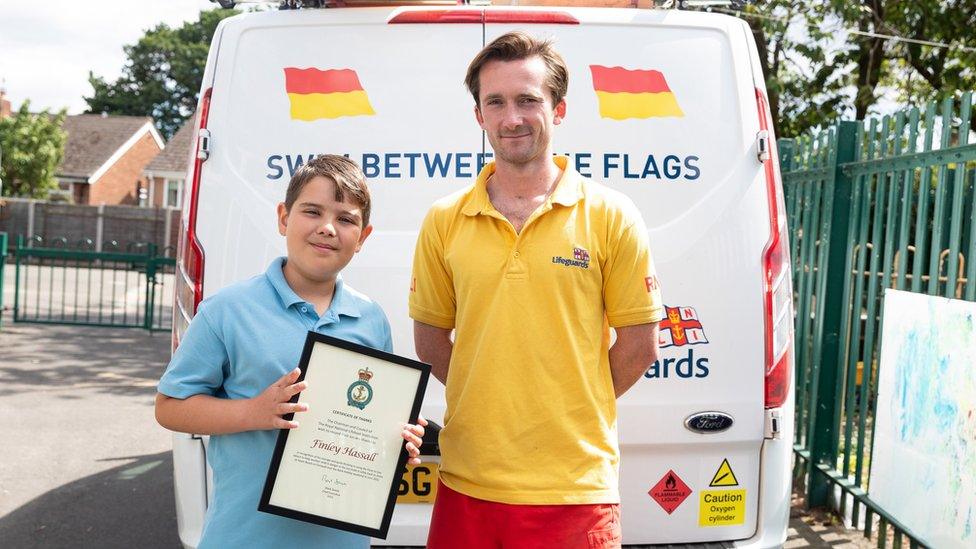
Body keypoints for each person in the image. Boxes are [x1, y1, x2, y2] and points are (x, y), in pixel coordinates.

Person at [409, 32, 664, 548]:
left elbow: (640, 346)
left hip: (573, 494)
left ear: (559, 108)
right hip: (467, 485)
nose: (512, 118)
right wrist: (494, 403)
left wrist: (565, 404)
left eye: (528, 99)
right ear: (479, 116)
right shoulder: (443, 220)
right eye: (495, 102)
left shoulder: (612, 215)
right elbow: (432, 339)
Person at [155, 154, 426, 548]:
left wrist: (397, 437)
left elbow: (372, 418)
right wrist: (254, 411)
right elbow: (169, 407)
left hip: (342, 540)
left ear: (363, 237)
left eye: (346, 219)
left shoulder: (371, 320)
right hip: (245, 537)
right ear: (284, 218)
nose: (328, 228)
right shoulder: (227, 311)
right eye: (312, 211)